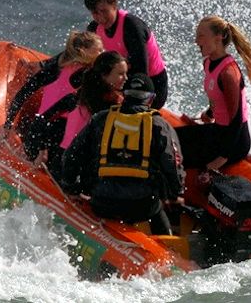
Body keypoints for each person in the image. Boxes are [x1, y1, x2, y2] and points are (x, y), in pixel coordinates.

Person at [61, 73, 184, 235]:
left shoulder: (101, 119)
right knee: (157, 210)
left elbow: (71, 155)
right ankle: (167, 248)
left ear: (123, 95)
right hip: (142, 207)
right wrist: (176, 194)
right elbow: (172, 164)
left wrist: (71, 188)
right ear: (151, 99)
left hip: (101, 202)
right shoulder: (160, 125)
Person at [176, 15, 251, 172]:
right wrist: (209, 112)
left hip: (235, 143)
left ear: (218, 38)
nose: (196, 41)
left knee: (180, 157)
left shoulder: (229, 73)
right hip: (218, 130)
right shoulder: (208, 63)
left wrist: (221, 158)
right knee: (171, 138)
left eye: (201, 36)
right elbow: (217, 96)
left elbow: (236, 121)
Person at [3, 31, 103, 160]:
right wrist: (8, 125)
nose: (103, 53)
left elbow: (22, 94)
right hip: (46, 135)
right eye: (99, 50)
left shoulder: (82, 73)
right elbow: (23, 94)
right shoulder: (67, 73)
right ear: (83, 52)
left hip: (53, 132)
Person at [35, 51, 128, 178]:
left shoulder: (117, 103)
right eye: (121, 74)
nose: (126, 78)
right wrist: (42, 152)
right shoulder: (77, 99)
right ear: (104, 75)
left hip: (89, 165)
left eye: (126, 74)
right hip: (66, 165)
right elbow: (41, 119)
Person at [84, 0, 169, 109]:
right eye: (95, 13)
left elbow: (141, 71)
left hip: (151, 85)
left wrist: (120, 96)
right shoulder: (94, 28)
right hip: (121, 81)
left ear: (114, 5)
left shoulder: (131, 27)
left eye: (104, 11)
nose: (100, 18)